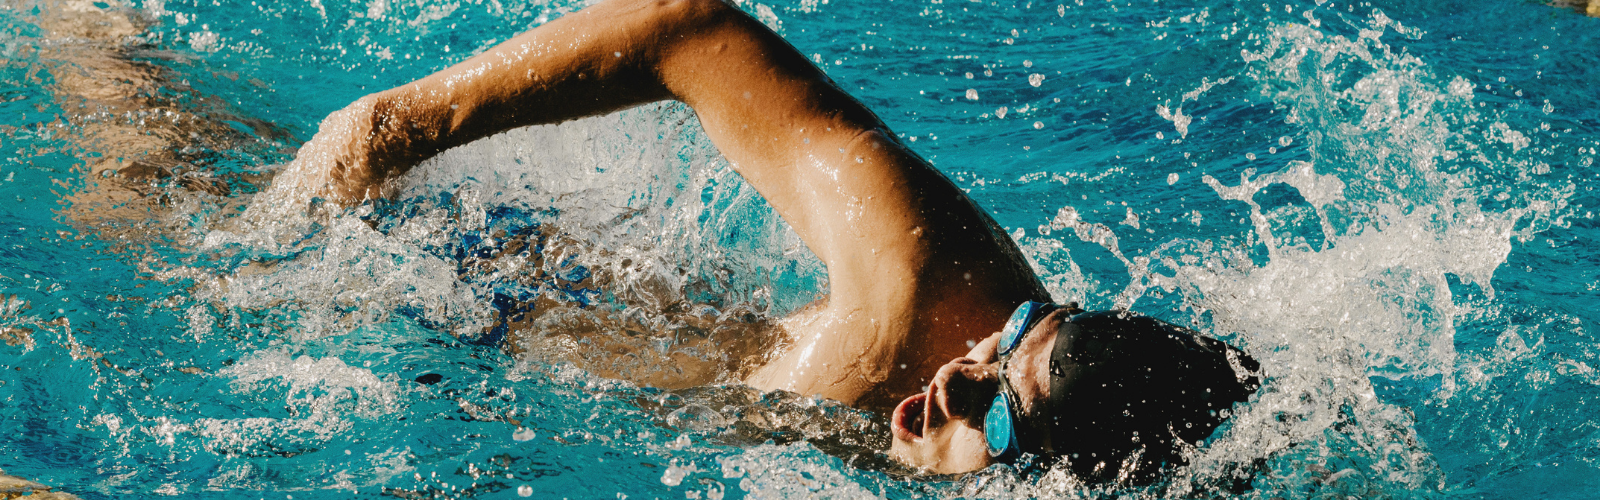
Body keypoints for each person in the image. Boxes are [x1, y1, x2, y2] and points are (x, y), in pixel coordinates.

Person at [268, 0, 1260, 480]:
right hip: (450, 285)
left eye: (1001, 414)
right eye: (1010, 338)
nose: (961, 374)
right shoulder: (917, 280)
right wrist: (400, 124)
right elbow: (687, 29)